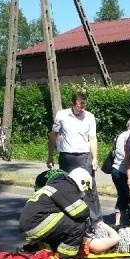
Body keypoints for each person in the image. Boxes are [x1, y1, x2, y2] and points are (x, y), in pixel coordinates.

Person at [19, 167, 93, 259]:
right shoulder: (67, 187)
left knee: (64, 220)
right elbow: (81, 212)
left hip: (31, 224)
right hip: (36, 225)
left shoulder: (59, 184)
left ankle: (35, 248)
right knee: (77, 224)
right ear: (83, 182)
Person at [47, 91, 102, 222]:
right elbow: (53, 135)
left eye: (84, 105)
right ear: (73, 104)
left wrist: (95, 158)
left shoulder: (89, 116)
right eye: (79, 105)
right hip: (66, 157)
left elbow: (93, 138)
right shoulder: (61, 115)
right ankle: (71, 217)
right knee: (68, 187)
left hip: (84, 156)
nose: (82, 108)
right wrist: (50, 156)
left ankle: (96, 220)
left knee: (89, 187)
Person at [111, 127, 130, 227]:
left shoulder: (120, 135)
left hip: (116, 169)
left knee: (123, 196)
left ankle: (120, 221)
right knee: (124, 196)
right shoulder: (127, 136)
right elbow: (125, 156)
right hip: (121, 171)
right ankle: (119, 222)